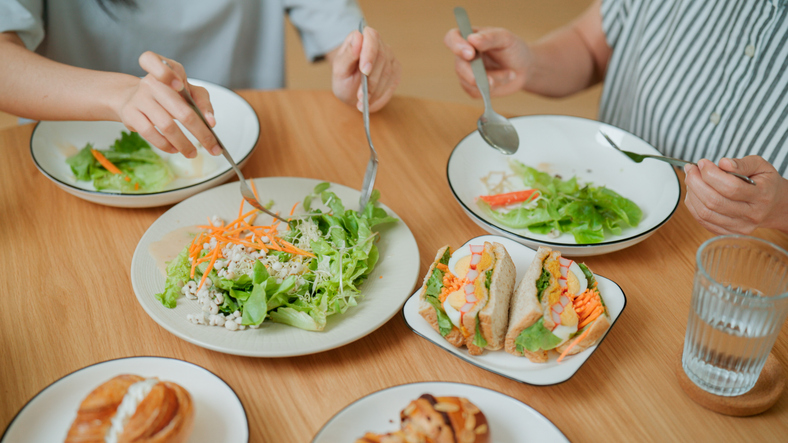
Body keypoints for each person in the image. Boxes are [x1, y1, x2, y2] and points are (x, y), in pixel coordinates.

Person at [444, 0, 788, 235]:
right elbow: (591, 45)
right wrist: (531, 65)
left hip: (748, 275)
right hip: (607, 226)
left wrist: (779, 209)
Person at [0, 0, 400, 159]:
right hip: (68, 160)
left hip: (243, 150)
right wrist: (120, 95)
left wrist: (356, 67)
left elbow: (337, 26)